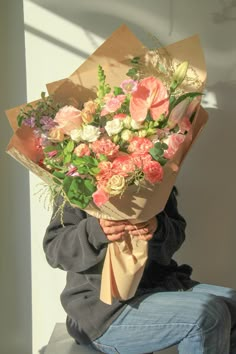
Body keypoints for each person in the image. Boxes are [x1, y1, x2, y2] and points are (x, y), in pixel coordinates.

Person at [43, 187, 236, 354]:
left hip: (158, 287)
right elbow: (55, 250)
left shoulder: (154, 171)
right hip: (105, 307)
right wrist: (97, 230)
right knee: (209, 314)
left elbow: (176, 236)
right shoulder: (78, 176)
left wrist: (158, 228)